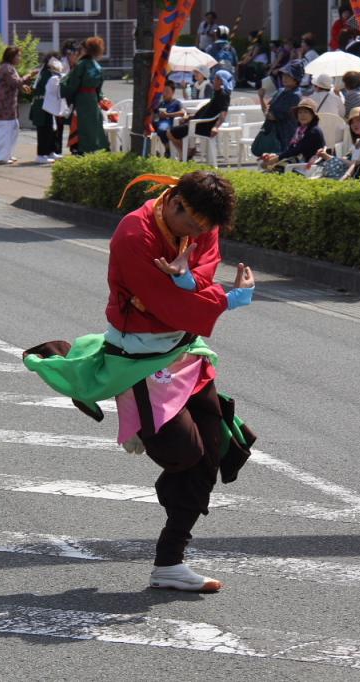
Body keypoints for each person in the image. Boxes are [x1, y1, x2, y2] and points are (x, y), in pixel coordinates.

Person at [23, 171, 256, 592]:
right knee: (183, 454)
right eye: (192, 225)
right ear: (175, 202)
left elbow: (199, 275)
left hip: (187, 352)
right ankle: (124, 405)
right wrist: (227, 297)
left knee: (213, 452)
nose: (199, 234)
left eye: (206, 229)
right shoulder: (135, 232)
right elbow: (168, 305)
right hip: (141, 360)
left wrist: (187, 282)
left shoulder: (202, 224)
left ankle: (170, 564)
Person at [169, 70, 232, 160]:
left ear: (221, 81)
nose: (214, 80)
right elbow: (190, 98)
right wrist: (190, 117)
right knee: (179, 124)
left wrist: (216, 127)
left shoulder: (218, 92)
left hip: (202, 126)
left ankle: (185, 153)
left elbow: (223, 114)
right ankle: (187, 152)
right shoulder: (213, 92)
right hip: (198, 121)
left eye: (216, 78)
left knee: (169, 132)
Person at [61, 36, 109, 155]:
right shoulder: (98, 66)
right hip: (92, 98)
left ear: (86, 50)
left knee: (80, 124)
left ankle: (80, 149)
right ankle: (95, 148)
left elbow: (72, 84)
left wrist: (67, 95)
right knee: (94, 124)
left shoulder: (81, 64)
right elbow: (99, 86)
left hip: (81, 98)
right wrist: (99, 98)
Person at [0, 46, 36, 165]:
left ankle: (7, 155)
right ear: (11, 56)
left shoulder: (7, 68)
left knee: (12, 130)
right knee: (4, 132)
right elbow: (15, 82)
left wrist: (22, 87)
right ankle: (0, 157)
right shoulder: (7, 68)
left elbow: (12, 84)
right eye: (18, 55)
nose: (20, 58)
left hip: (7, 106)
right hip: (3, 106)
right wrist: (28, 76)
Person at [253, 60, 303, 156]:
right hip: (272, 133)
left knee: (279, 164)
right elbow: (267, 112)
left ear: (296, 79)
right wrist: (261, 98)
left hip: (284, 137)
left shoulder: (295, 96)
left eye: (288, 75)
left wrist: (267, 112)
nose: (284, 78)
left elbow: (272, 116)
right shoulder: (280, 91)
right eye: (284, 75)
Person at [260, 97, 326, 169]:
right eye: (300, 112)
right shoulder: (300, 130)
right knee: (265, 163)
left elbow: (297, 150)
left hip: (311, 165)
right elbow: (291, 149)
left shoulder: (313, 131)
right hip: (300, 161)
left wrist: (276, 159)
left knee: (271, 166)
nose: (302, 115)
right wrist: (274, 155)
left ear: (313, 116)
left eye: (306, 112)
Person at [30, 53, 66, 164]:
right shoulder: (47, 73)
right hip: (43, 106)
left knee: (51, 129)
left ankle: (51, 151)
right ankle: (41, 154)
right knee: (44, 130)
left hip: (46, 105)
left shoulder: (47, 73)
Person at [152, 82, 184, 156]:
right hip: (160, 122)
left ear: (173, 92)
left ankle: (168, 149)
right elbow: (154, 112)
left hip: (170, 122)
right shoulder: (161, 103)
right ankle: (152, 149)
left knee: (162, 128)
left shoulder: (176, 103)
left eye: (167, 91)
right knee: (148, 127)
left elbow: (182, 113)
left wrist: (168, 115)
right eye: (163, 91)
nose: (165, 93)